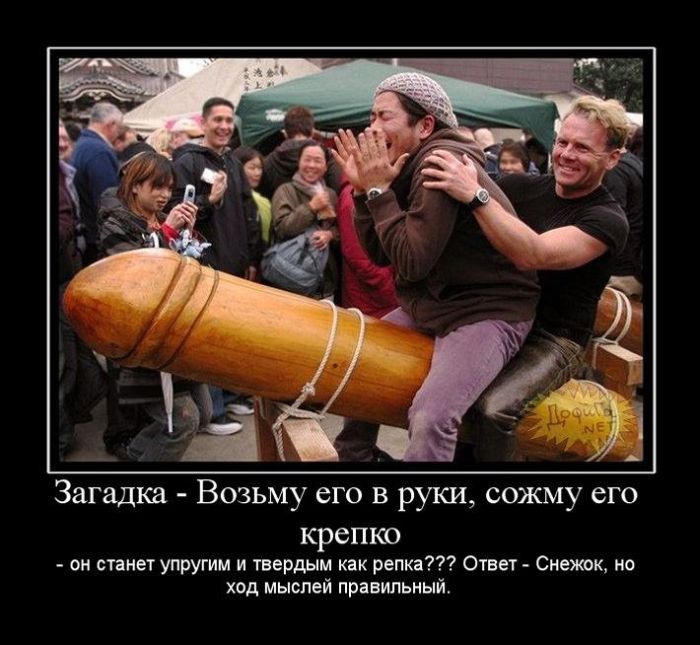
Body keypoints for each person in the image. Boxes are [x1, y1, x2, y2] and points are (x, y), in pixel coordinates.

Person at [331, 72, 539, 462]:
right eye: (371, 117)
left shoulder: (439, 163)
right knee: (361, 362)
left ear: (425, 125)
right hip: (433, 306)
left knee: (432, 417)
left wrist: (377, 191)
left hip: (487, 311)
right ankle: (356, 457)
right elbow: (381, 255)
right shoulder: (405, 163)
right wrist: (363, 192)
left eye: (384, 117)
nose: (371, 128)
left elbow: (411, 262)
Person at [421, 96, 630, 461]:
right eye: (563, 142)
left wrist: (476, 195)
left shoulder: (608, 219)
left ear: (612, 158)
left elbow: (534, 254)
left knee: (494, 410)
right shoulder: (521, 187)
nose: (566, 154)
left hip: (553, 338)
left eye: (582, 148)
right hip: (498, 316)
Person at [259, 105, 342, 199]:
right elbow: (337, 190)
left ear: (285, 133)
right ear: (312, 131)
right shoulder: (328, 156)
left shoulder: (269, 161)